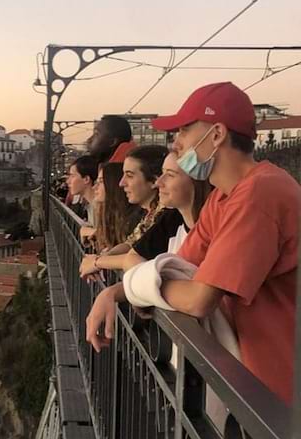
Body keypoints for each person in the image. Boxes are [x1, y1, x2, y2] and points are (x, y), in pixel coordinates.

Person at [86, 81, 299, 405]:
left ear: (216, 135)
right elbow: (180, 265)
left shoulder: (259, 195)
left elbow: (199, 298)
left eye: (184, 130)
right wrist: (114, 292)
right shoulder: (224, 198)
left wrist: (141, 286)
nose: (177, 143)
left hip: (279, 397)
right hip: (254, 385)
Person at [79, 145, 167, 277]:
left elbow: (135, 257)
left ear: (154, 180)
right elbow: (130, 243)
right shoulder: (150, 214)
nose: (121, 183)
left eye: (129, 176)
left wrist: (98, 262)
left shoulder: (166, 216)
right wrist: (103, 258)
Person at [83, 163, 141, 252]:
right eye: (96, 182)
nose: (95, 187)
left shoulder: (133, 220)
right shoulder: (111, 217)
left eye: (101, 182)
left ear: (113, 184)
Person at [65, 155, 100, 226]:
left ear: (86, 179)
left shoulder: (100, 208)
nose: (68, 181)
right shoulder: (90, 205)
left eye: (72, 176)